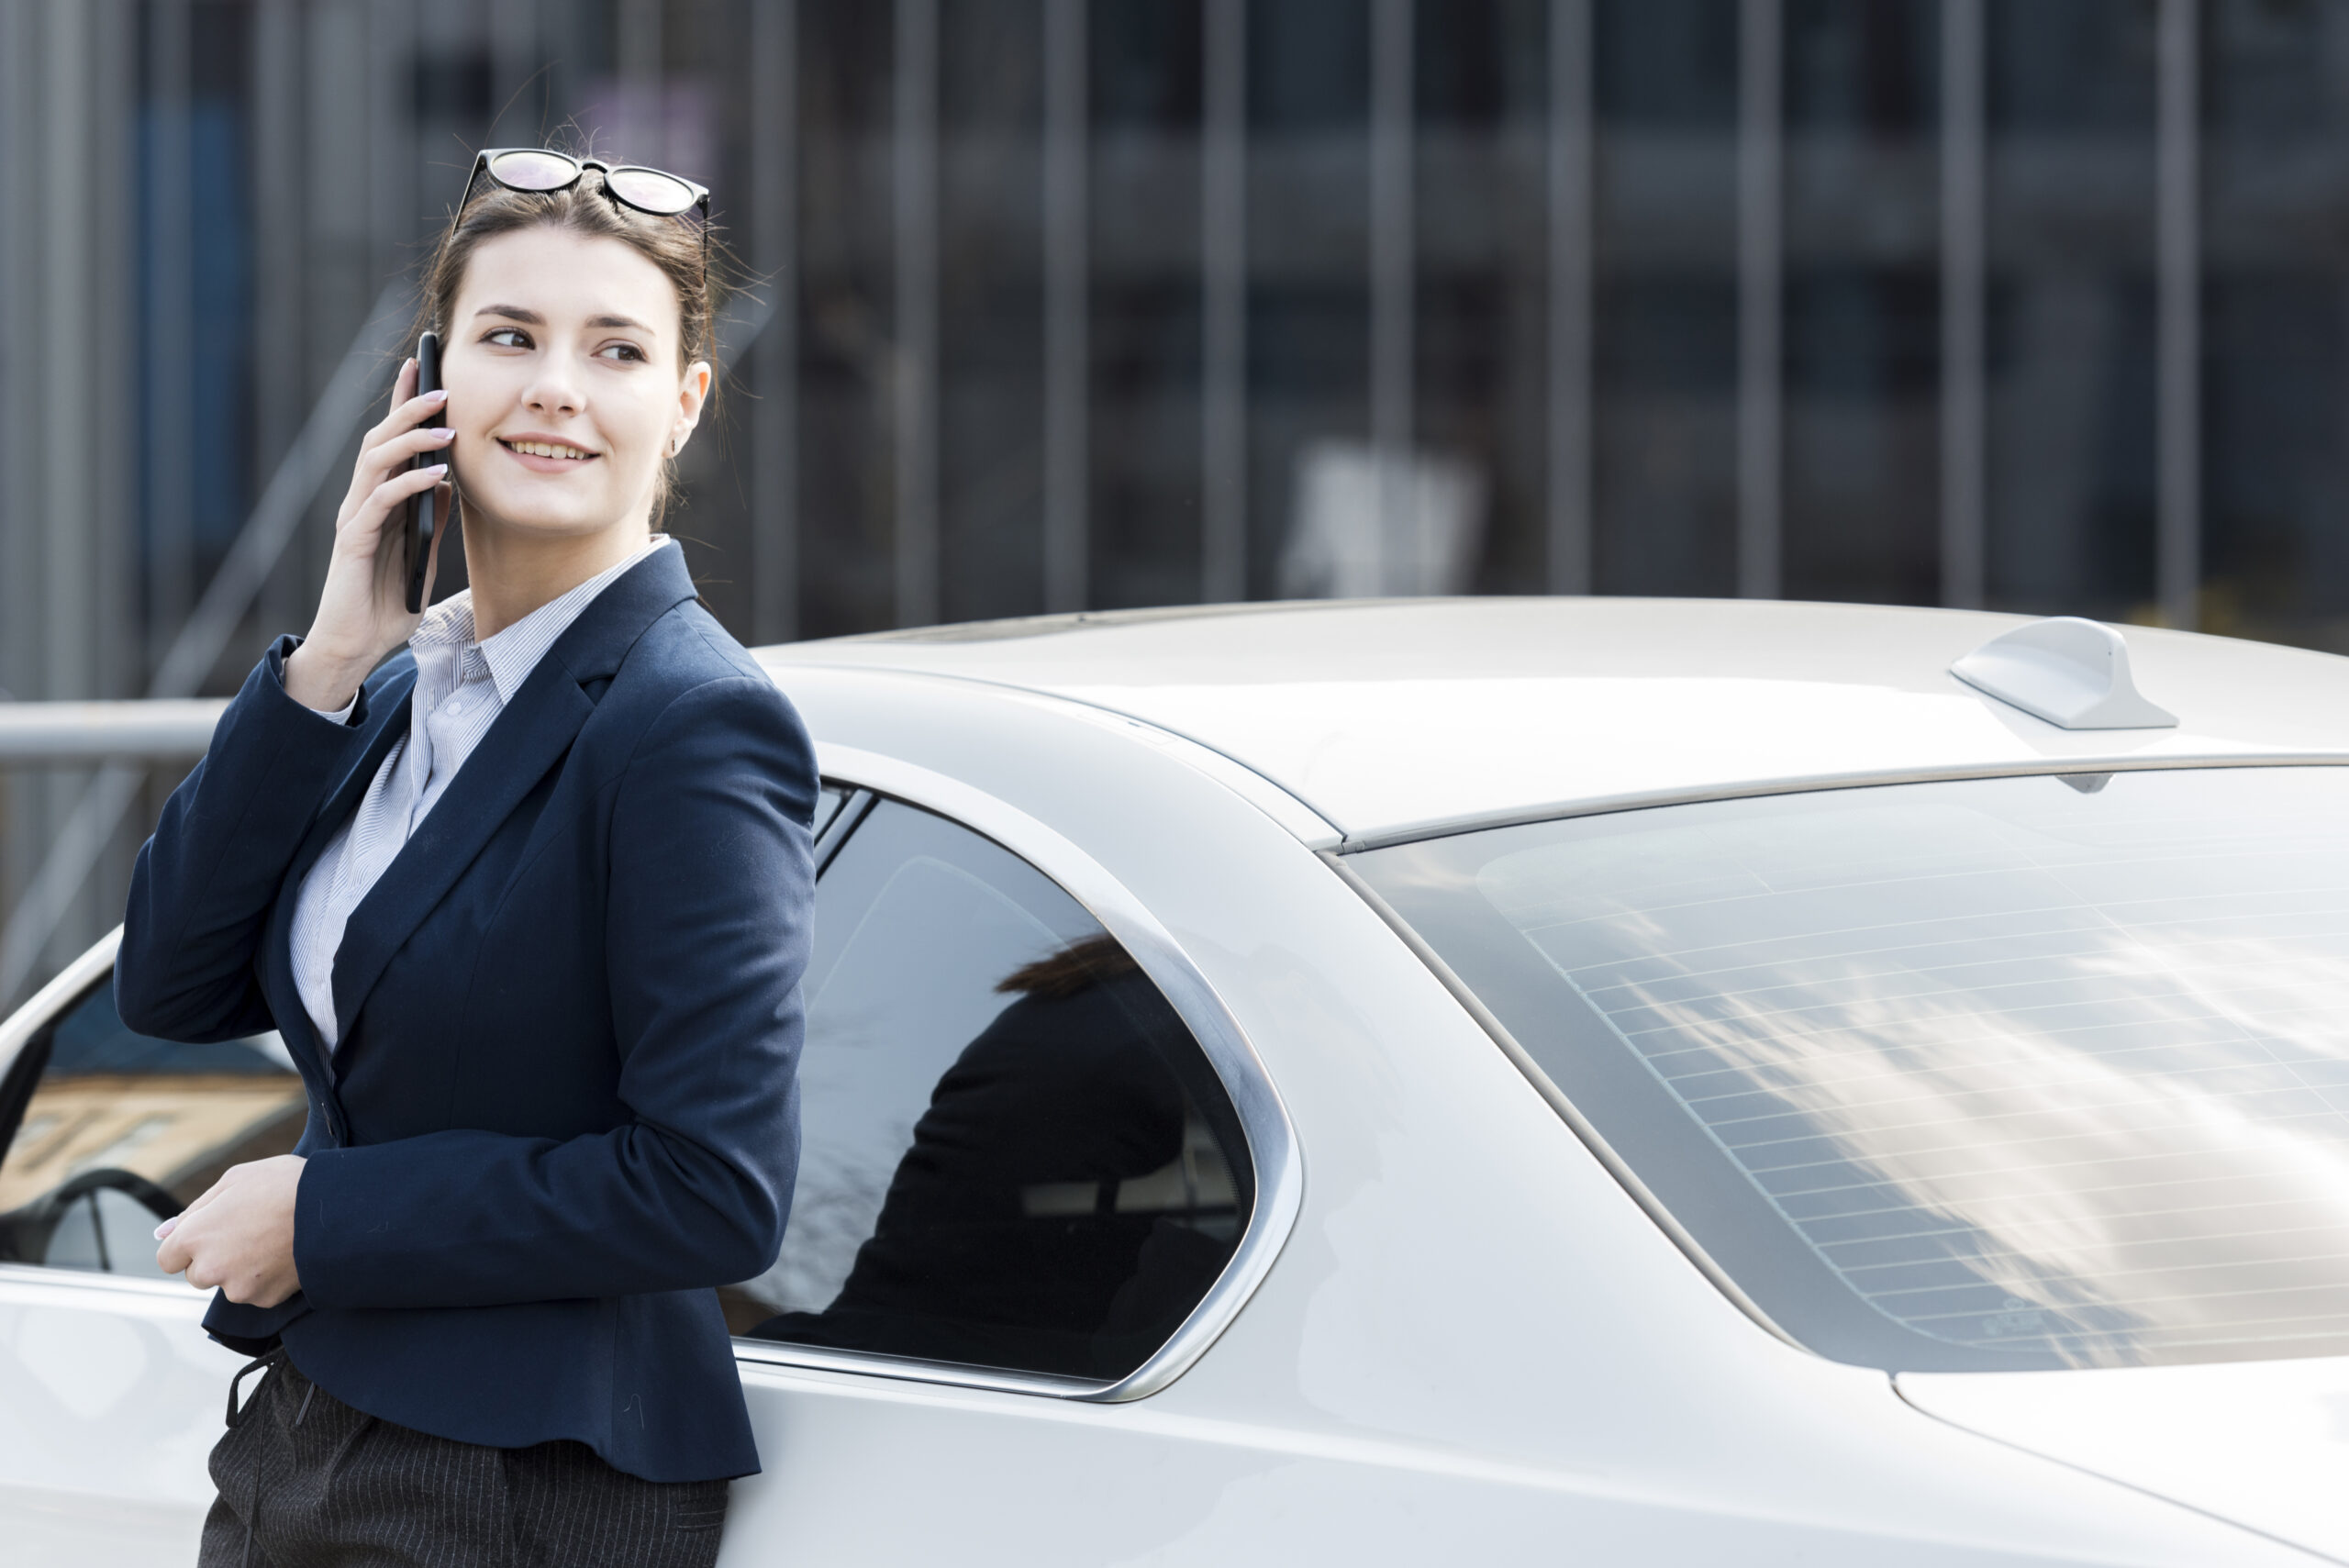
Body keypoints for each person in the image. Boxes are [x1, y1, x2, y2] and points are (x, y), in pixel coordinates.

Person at [114, 147, 817, 1567]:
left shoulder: (694, 721)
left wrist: (325, 1217)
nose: (556, 383)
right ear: (428, 385)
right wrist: (324, 662)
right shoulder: (388, 698)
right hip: (305, 1437)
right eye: (511, 337)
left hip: (519, 1486)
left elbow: (713, 1184)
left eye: (615, 349)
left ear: (680, 405)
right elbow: (169, 984)